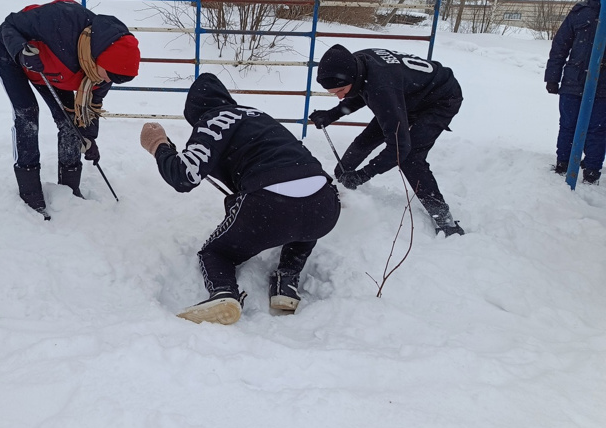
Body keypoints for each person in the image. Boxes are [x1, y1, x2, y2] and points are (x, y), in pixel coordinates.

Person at [139, 73, 341, 325]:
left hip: (270, 204)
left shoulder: (212, 119)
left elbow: (184, 176)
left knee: (214, 252)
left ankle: (223, 292)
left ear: (195, 112)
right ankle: (286, 281)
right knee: (304, 218)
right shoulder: (256, 115)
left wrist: (158, 144)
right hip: (325, 203)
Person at [0, 0, 140, 218]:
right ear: (101, 59)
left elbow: (89, 108)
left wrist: (89, 139)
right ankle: (29, 191)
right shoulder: (61, 20)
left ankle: (69, 189)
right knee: (27, 114)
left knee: (69, 120)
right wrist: (21, 51)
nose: (106, 80)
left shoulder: (102, 73)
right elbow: (9, 25)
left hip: (49, 71)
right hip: (11, 52)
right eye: (108, 74)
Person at [309, 44, 464, 236]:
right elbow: (360, 89)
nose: (340, 97)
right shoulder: (356, 64)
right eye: (334, 94)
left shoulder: (381, 87)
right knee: (366, 140)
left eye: (340, 90)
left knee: (410, 158)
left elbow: (399, 147)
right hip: (405, 94)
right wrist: (332, 115)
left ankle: (445, 220)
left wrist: (363, 175)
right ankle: (342, 181)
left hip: (440, 98)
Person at [544, 0, 606, 185]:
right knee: (568, 124)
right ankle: (564, 163)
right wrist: (552, 76)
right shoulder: (580, 11)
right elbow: (561, 45)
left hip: (603, 88)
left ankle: (592, 171)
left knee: (598, 129)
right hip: (574, 81)